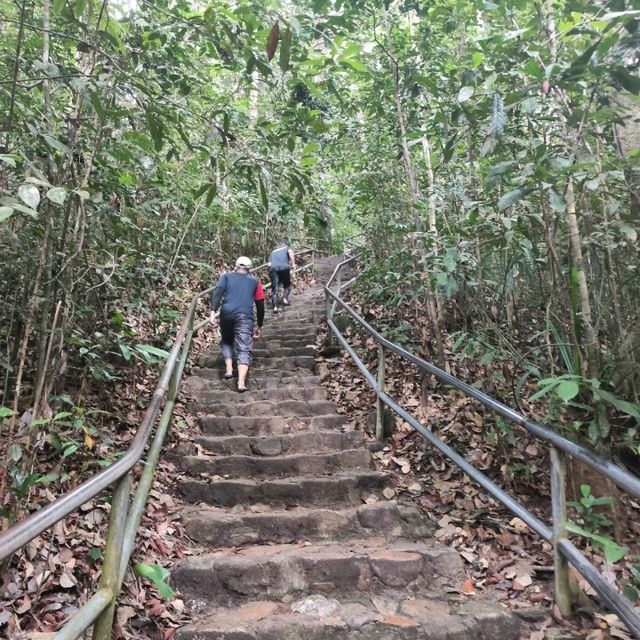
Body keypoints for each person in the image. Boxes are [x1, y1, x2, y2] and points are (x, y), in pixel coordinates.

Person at [210, 256, 265, 392]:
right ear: (249, 268)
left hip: (226, 313)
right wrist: (260, 325)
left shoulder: (226, 277)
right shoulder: (255, 282)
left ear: (236, 266)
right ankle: (241, 383)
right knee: (244, 347)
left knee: (227, 340)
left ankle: (229, 369)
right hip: (244, 316)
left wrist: (212, 312)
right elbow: (260, 303)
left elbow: (217, 293)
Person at [267, 240, 296, 313]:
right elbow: (290, 252)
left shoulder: (273, 252)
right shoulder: (286, 248)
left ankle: (275, 307)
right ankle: (285, 299)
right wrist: (293, 264)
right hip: (284, 268)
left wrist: (271, 274)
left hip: (274, 269)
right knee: (287, 285)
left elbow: (269, 264)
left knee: (275, 288)